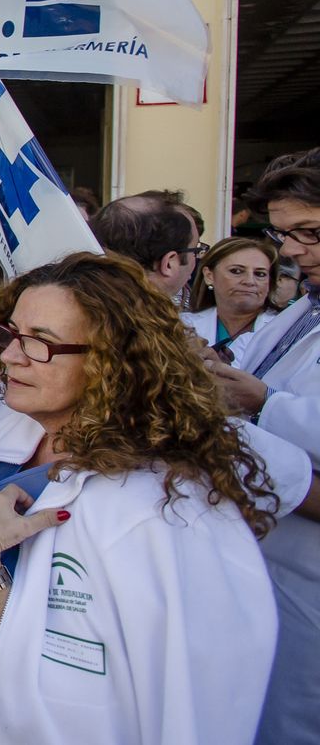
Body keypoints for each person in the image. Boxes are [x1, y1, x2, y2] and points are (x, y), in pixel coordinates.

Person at [0, 253, 278, 744]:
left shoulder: (157, 506)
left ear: (113, 361)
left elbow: (68, 689)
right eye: (11, 334)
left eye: (41, 343)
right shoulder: (6, 444)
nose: (10, 356)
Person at [208, 148, 320, 745]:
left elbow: (266, 396)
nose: (293, 252)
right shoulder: (300, 309)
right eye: (284, 234)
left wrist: (263, 403)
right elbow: (253, 371)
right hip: (266, 556)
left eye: (310, 233)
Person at [90, 190, 203, 304]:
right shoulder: (148, 320)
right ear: (169, 263)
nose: (196, 258)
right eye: (195, 250)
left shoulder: (80, 302)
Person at [182, 237, 279, 363]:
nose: (249, 281)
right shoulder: (181, 325)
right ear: (209, 275)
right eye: (236, 271)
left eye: (260, 274)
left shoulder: (286, 329)